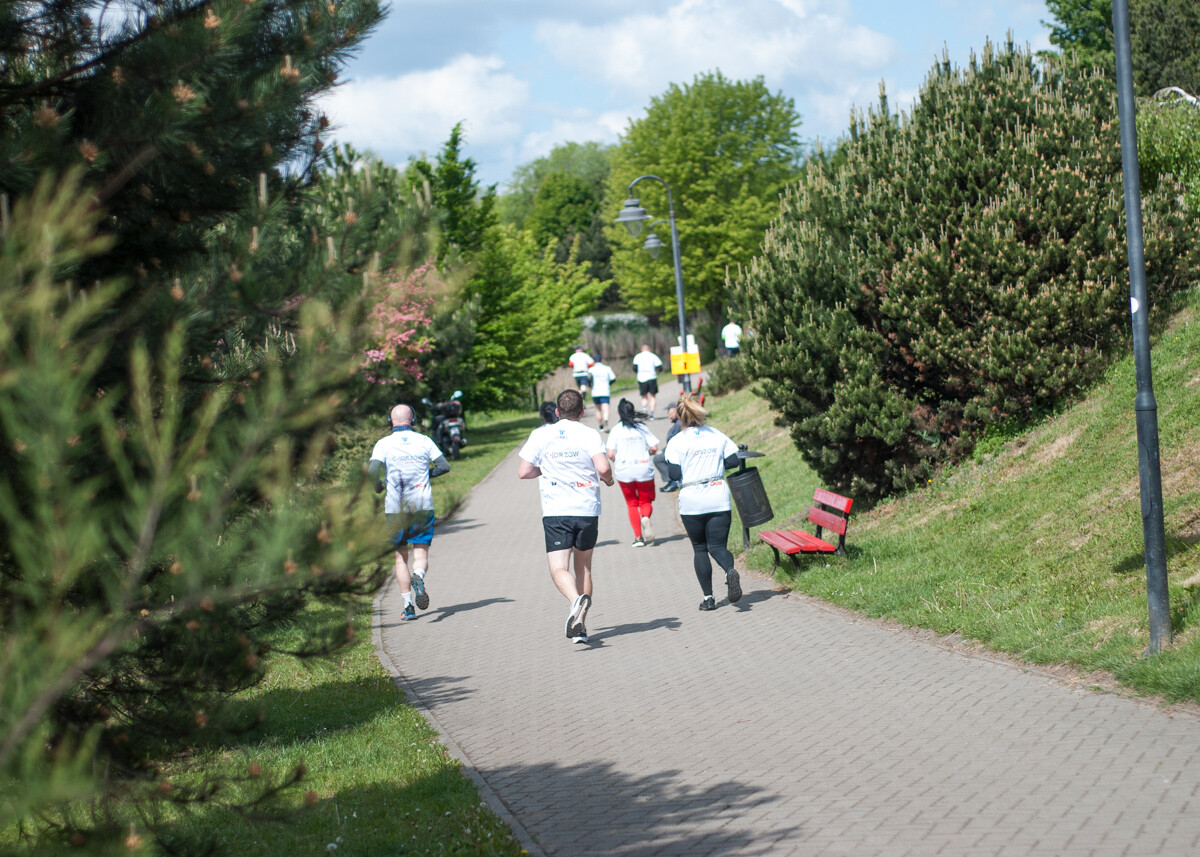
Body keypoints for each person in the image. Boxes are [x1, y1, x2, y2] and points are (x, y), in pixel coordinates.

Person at [517, 389, 615, 643]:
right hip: (586, 510)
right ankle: (581, 626)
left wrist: (548, 468)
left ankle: (575, 602)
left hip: (556, 511)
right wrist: (609, 479)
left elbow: (524, 471)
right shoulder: (589, 433)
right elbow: (603, 467)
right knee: (583, 567)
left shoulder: (541, 434)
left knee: (559, 568)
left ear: (557, 412)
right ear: (582, 412)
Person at [368, 404, 451, 621]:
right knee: (420, 554)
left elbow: (371, 474)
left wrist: (379, 487)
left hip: (395, 509)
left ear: (390, 421)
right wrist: (425, 475)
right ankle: (419, 576)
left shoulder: (383, 444)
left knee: (400, 557)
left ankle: (408, 606)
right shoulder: (424, 440)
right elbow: (444, 466)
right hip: (422, 506)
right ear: (412, 420)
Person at [663, 395, 743, 611]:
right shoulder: (716, 434)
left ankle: (708, 598)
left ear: (679, 417)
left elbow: (673, 473)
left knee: (700, 548)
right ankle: (729, 571)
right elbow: (734, 460)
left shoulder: (676, 441)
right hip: (717, 494)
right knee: (717, 546)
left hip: (692, 498)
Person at [606, 399, 661, 547]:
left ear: (618, 413)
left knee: (631, 503)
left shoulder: (616, 430)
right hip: (643, 468)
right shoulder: (641, 428)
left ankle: (638, 538)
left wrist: (618, 460)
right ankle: (645, 517)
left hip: (624, 470)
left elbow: (610, 453)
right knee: (645, 501)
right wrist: (647, 452)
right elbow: (654, 447)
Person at [652, 403, 682, 491]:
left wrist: (664, 450)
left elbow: (675, 441)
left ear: (676, 412)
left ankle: (673, 481)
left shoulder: (678, 424)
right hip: (672, 450)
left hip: (676, 452)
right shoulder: (677, 423)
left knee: (658, 459)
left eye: (670, 413)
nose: (669, 415)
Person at [631, 344, 663, 416]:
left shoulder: (637, 356)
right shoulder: (653, 356)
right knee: (652, 396)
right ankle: (651, 413)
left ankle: (644, 407)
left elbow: (634, 368)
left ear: (642, 350)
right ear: (649, 349)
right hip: (652, 377)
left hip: (641, 378)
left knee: (644, 396)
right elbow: (660, 367)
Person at [588, 353, 617, 430]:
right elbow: (613, 378)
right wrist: (608, 384)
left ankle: (600, 425)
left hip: (595, 391)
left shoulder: (591, 370)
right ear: (602, 360)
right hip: (605, 390)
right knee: (605, 407)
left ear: (594, 361)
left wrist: (590, 386)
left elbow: (588, 380)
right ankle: (606, 421)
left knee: (598, 409)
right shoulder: (607, 368)